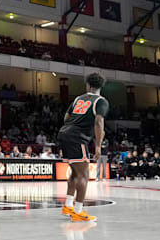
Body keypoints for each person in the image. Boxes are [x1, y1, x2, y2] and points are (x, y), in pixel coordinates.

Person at [58, 72, 108, 222]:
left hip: (64, 133)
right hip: (77, 138)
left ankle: (68, 206)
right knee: (84, 175)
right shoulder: (101, 101)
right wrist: (98, 146)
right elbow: (99, 122)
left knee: (74, 173)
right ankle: (78, 211)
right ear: (101, 86)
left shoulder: (78, 99)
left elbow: (66, 118)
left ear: (88, 85)